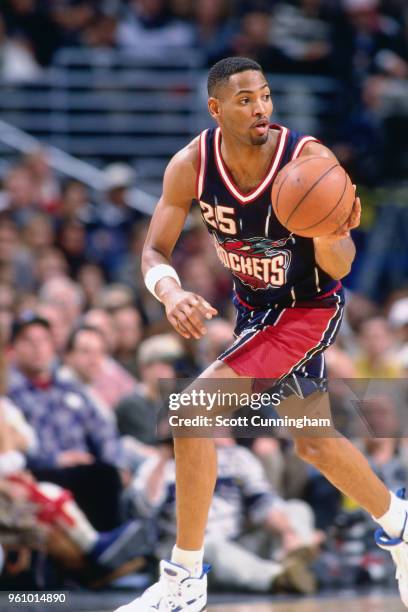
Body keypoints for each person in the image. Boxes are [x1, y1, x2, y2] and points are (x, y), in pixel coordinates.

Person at [116, 57, 407, 611]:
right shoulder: (190, 165)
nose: (260, 109)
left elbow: (341, 266)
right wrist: (171, 293)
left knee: (193, 412)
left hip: (307, 308)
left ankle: (185, 579)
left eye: (266, 96)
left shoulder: (309, 161)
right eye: (246, 99)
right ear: (216, 108)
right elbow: (154, 249)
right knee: (313, 441)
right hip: (253, 308)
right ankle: (399, 523)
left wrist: (327, 231)